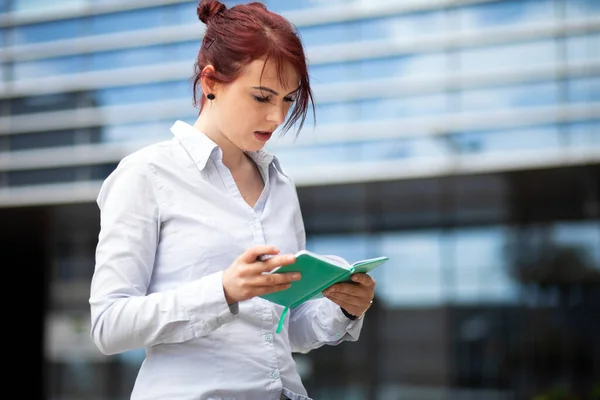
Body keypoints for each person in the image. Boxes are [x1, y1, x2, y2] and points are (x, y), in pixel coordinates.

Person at [88, 1, 376, 399]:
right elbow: (108, 325)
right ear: (210, 84)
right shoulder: (147, 175)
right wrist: (222, 290)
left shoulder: (279, 184)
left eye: (288, 100)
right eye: (262, 97)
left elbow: (283, 329)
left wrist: (343, 307)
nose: (277, 117)